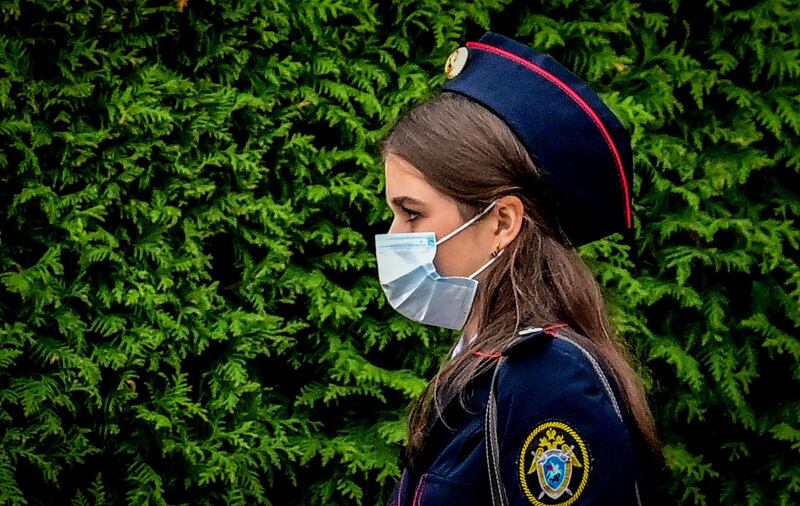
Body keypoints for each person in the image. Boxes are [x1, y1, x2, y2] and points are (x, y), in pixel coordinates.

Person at [375, 31, 664, 505]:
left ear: (502, 222)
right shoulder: (486, 364)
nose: (395, 235)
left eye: (412, 213)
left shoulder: (548, 382)